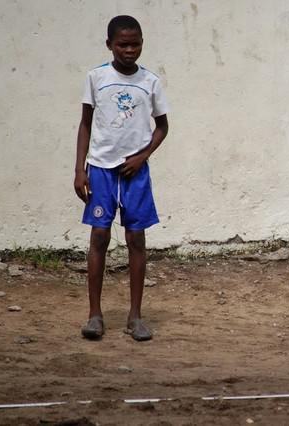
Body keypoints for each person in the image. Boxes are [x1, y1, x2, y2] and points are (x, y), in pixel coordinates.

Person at [74, 15, 169, 341]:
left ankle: (135, 317)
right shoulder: (96, 77)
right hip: (100, 170)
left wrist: (142, 156)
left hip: (135, 174)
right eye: (122, 44)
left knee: (136, 241)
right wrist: (79, 169)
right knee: (99, 237)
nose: (130, 50)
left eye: (136, 43)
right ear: (109, 45)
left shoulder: (150, 82)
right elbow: (85, 124)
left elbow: (163, 127)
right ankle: (95, 315)